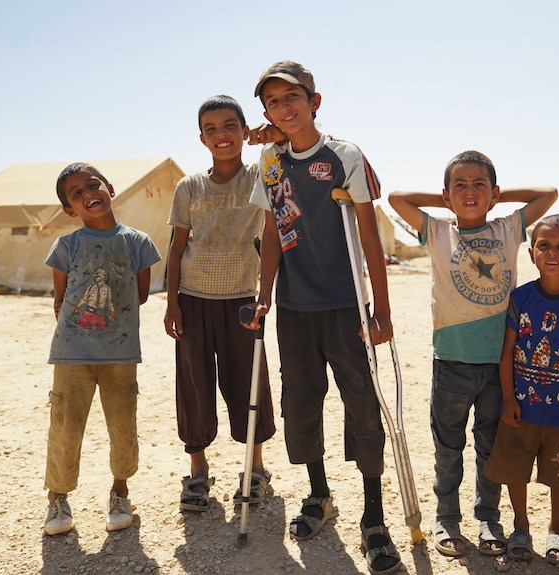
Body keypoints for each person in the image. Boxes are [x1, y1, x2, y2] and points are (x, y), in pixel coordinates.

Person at [244, 60, 400, 575]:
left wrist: (382, 308)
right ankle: (319, 495)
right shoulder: (269, 161)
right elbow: (271, 233)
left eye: (292, 97)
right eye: (272, 102)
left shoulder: (343, 155)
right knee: (302, 402)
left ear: (314, 100)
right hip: (293, 306)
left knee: (361, 403)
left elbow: (370, 237)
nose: (283, 108)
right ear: (265, 111)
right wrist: (263, 295)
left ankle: (373, 517)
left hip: (344, 303)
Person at [388, 151, 558, 558]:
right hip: (451, 360)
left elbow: (549, 193)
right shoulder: (438, 232)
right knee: (448, 447)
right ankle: (447, 518)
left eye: (479, 184)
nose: (470, 192)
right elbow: (396, 198)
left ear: (495, 193)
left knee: (489, 446)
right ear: (447, 195)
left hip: (500, 364)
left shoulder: (508, 229)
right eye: (460, 186)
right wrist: (448, 198)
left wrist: (494, 198)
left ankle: (488, 519)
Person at [164, 95, 278, 513]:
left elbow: (272, 235)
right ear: (201, 138)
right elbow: (177, 249)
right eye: (211, 129)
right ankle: (197, 472)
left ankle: (256, 470)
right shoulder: (189, 186)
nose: (221, 135)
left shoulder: (262, 177)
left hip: (242, 301)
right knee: (194, 386)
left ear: (245, 131)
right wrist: (172, 303)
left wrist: (265, 293)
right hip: (192, 301)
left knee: (248, 385)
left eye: (230, 125)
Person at [43, 162, 161, 535]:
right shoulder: (66, 245)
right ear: (69, 209)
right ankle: (57, 498)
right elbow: (60, 299)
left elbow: (141, 294)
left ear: (109, 186)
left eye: (93, 185)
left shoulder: (139, 242)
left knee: (122, 426)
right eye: (76, 194)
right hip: (72, 354)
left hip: (121, 355)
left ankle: (120, 491)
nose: (88, 194)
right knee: (65, 426)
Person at [484, 214, 559, 565]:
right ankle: (520, 527)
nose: (553, 252)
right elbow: (506, 353)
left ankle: (557, 529)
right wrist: (507, 398)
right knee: (515, 470)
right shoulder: (520, 299)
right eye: (544, 245)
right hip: (521, 409)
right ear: (532, 253)